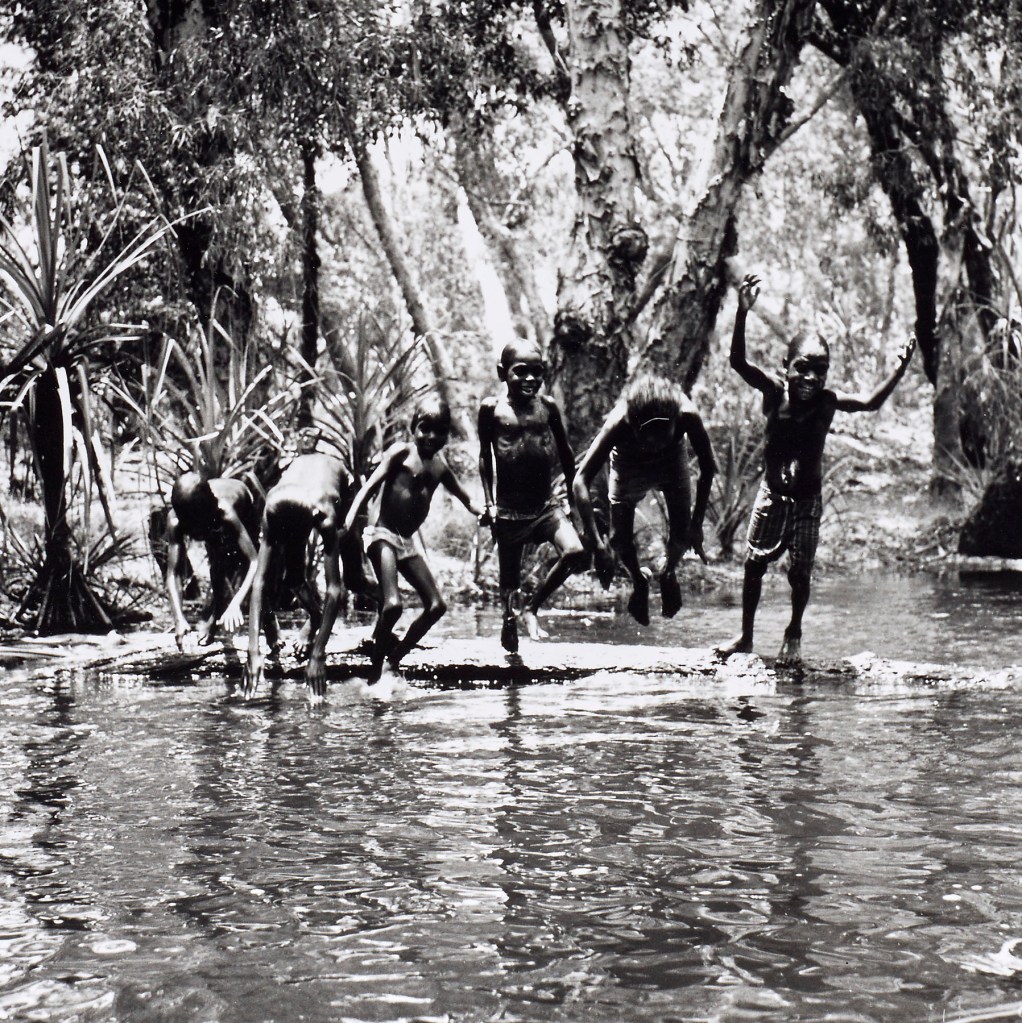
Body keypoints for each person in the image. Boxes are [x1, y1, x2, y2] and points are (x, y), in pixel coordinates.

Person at [716, 273, 916, 666]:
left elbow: (871, 403)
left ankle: (793, 631)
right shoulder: (773, 393)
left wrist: (899, 369)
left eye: (819, 370)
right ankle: (746, 635)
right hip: (772, 496)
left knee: (800, 573)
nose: (810, 378)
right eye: (803, 368)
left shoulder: (826, 402)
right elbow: (738, 362)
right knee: (754, 563)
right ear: (785, 366)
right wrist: (742, 312)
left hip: (807, 500)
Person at [341, 397, 482, 681]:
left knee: (437, 606)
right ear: (413, 427)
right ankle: (375, 671)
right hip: (381, 534)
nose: (431, 437)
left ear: (447, 434)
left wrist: (485, 512)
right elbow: (369, 487)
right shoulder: (400, 453)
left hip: (405, 541)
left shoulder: (440, 468)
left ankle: (394, 659)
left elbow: (467, 499)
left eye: (439, 431)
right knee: (393, 604)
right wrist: (348, 522)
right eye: (424, 429)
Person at [573, 374, 717, 624]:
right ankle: (639, 582)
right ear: (632, 422)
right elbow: (580, 480)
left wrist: (696, 525)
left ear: (674, 422)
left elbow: (708, 467)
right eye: (647, 437)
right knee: (618, 540)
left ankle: (668, 572)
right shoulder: (619, 422)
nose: (653, 446)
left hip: (672, 460)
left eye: (661, 436)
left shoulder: (687, 415)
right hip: (629, 460)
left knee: (681, 534)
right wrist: (597, 544)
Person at [478, 340, 586, 653]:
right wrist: (488, 503)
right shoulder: (492, 409)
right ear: (502, 373)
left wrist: (573, 496)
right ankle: (509, 619)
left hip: (545, 507)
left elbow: (566, 453)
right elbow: (485, 456)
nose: (529, 379)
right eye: (520, 372)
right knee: (509, 582)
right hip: (509, 511)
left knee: (575, 551)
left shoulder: (548, 407)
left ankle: (533, 607)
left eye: (536, 373)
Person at [243, 452, 375, 697]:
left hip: (337, 483)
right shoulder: (273, 507)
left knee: (354, 579)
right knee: (293, 578)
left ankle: (384, 602)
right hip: (298, 485)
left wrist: (318, 653)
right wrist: (253, 651)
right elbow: (259, 581)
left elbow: (335, 588)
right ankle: (315, 617)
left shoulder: (325, 515)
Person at [164, 471, 261, 651]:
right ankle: (216, 616)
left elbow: (254, 562)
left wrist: (236, 603)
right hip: (205, 505)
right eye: (191, 529)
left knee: (239, 562)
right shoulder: (176, 520)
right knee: (217, 565)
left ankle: (271, 627)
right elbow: (173, 573)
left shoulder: (225, 513)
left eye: (197, 529)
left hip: (243, 500)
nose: (195, 535)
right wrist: (179, 618)